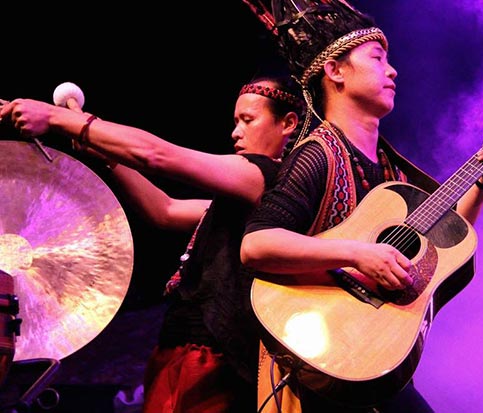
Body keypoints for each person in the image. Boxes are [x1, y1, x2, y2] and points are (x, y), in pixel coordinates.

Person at [239, 1, 483, 413]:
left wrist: (482, 180)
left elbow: (447, 244)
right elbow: (256, 244)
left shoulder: (390, 169)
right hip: (320, 356)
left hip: (368, 351)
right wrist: (359, 254)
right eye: (377, 59)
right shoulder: (317, 155)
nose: (393, 71)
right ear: (335, 71)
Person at [0, 75, 306, 413]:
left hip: (213, 363)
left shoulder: (265, 177)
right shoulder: (244, 198)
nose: (236, 132)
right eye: (236, 121)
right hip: (183, 350)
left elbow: (156, 154)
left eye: (248, 120)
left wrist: (58, 118)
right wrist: (107, 155)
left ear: (288, 124)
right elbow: (165, 210)